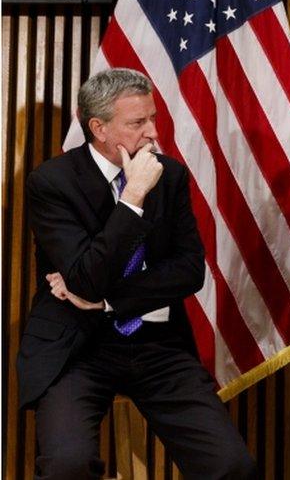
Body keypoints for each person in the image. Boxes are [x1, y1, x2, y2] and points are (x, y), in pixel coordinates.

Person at [18, 68, 256, 479]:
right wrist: (132, 196)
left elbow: (188, 271)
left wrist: (110, 300)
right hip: (78, 346)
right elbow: (84, 279)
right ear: (99, 128)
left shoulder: (171, 175)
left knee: (231, 466)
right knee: (67, 466)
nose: (151, 132)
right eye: (137, 122)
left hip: (157, 345)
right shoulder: (53, 182)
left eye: (153, 118)